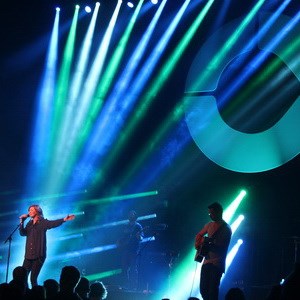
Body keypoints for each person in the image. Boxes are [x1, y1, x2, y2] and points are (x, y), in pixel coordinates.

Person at [19, 204, 75, 287]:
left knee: (33, 279)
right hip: (28, 256)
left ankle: (37, 295)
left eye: (31, 210)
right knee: (22, 277)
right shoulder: (29, 224)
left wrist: (64, 219)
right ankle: (25, 294)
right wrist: (22, 222)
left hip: (38, 255)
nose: (29, 212)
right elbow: (23, 233)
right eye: (29, 211)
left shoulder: (43, 222)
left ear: (37, 211)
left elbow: (53, 223)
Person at [194, 202, 232, 300]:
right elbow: (199, 235)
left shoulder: (226, 229)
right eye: (209, 213)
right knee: (203, 290)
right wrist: (199, 244)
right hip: (206, 262)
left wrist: (206, 243)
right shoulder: (209, 225)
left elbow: (221, 247)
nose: (210, 215)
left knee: (212, 292)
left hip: (217, 264)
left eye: (212, 213)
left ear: (219, 212)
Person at [117, 210, 143, 290]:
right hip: (126, 249)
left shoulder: (138, 226)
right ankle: (125, 285)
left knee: (133, 268)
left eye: (132, 214)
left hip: (134, 250)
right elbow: (123, 236)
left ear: (135, 216)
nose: (130, 215)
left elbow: (141, 238)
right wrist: (119, 241)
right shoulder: (126, 226)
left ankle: (133, 287)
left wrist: (138, 236)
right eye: (129, 214)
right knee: (124, 268)